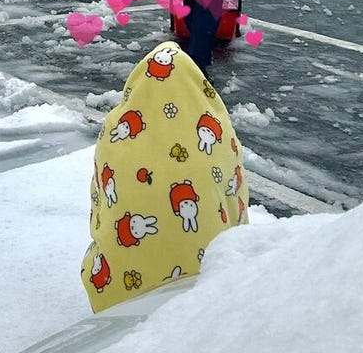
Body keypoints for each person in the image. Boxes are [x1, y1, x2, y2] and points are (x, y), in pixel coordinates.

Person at [80, 40, 249, 313]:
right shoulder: (219, 131)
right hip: (212, 287)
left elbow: (100, 204)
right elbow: (237, 205)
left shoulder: (115, 134)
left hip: (123, 297)